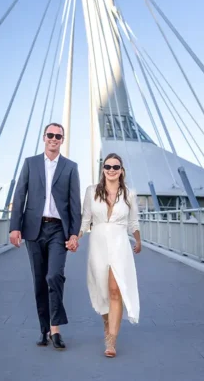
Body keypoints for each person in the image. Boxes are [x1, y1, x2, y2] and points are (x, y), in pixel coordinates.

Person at [9, 123, 81, 350]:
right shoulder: (30, 163)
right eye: (50, 135)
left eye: (58, 136)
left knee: (54, 276)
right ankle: (45, 329)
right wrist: (14, 226)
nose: (54, 139)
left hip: (58, 230)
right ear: (44, 137)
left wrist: (74, 234)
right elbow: (20, 195)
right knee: (39, 281)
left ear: (62, 140)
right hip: (34, 228)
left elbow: (74, 204)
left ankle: (56, 328)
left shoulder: (70, 167)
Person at [78, 153, 141, 358]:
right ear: (103, 169)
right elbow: (85, 220)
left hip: (120, 243)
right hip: (97, 244)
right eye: (108, 166)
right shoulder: (91, 191)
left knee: (116, 290)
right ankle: (107, 325)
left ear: (122, 170)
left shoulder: (130, 194)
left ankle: (111, 340)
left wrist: (138, 240)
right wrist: (75, 237)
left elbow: (133, 222)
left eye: (116, 166)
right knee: (103, 291)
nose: (111, 170)